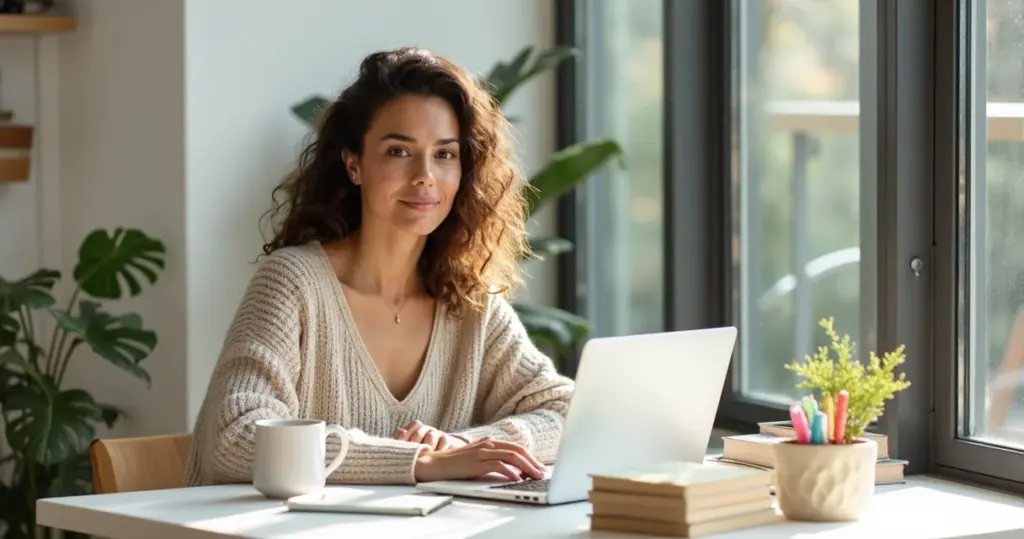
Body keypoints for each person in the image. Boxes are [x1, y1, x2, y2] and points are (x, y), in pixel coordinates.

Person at [183, 47, 575, 487]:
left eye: (445, 155)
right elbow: (235, 439)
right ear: (354, 163)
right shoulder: (292, 283)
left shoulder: (468, 301)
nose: (425, 175)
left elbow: (567, 412)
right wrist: (417, 461)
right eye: (398, 152)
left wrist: (463, 446)